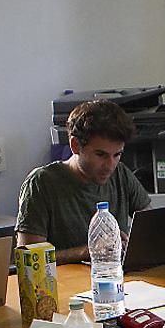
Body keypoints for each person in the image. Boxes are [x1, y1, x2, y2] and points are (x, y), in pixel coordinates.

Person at [16, 99, 151, 264]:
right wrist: (86, 251)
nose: (110, 166)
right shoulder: (41, 184)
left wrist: (133, 245)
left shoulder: (120, 174)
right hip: (64, 285)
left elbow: (152, 226)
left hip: (114, 280)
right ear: (75, 145)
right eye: (100, 155)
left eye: (117, 155)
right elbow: (28, 258)